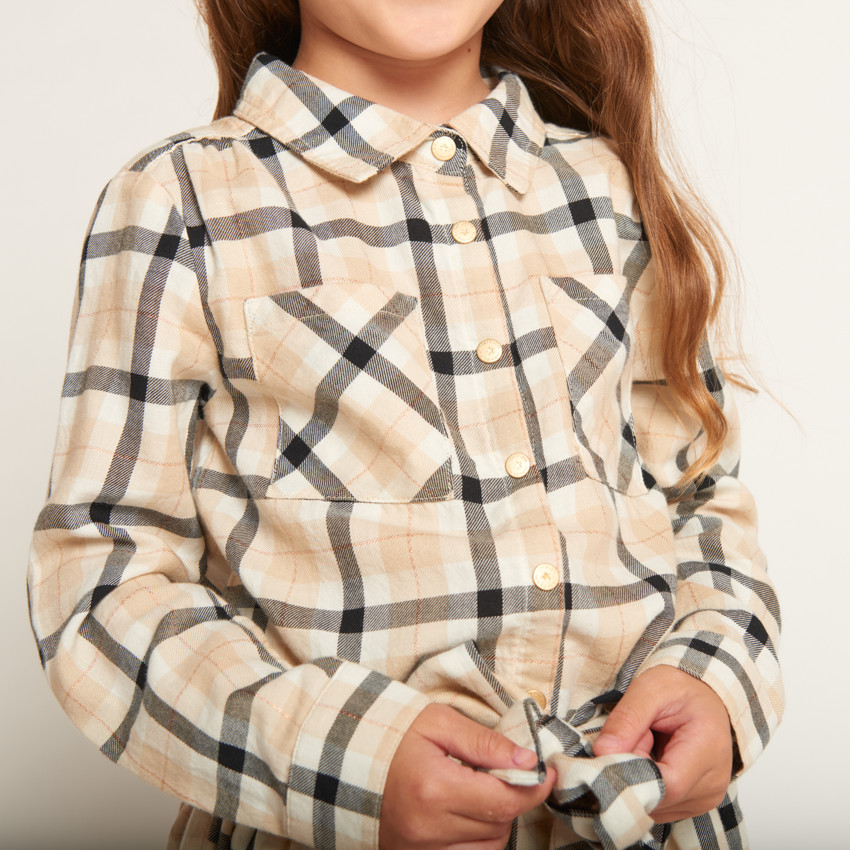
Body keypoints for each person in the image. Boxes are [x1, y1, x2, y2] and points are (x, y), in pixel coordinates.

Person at [26, 1, 783, 848]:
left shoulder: (607, 189)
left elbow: (699, 495)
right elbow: (101, 584)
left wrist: (716, 677)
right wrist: (352, 761)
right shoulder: (180, 203)